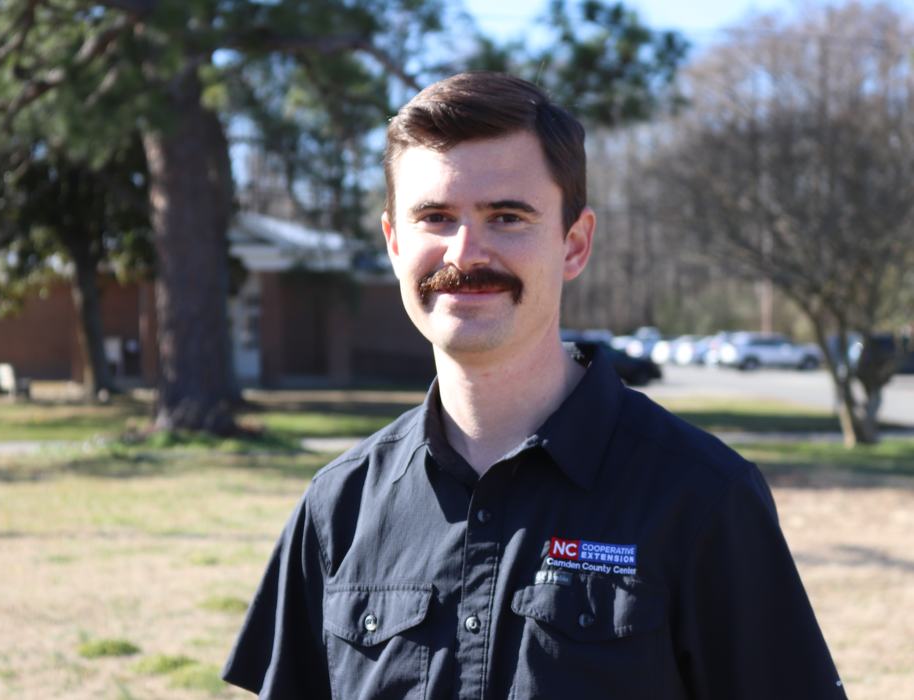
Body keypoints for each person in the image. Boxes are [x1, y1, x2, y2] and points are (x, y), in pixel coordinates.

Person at [222, 72, 845, 699]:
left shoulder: (701, 496)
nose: (465, 253)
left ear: (574, 245)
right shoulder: (338, 508)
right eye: (435, 217)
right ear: (393, 242)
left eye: (507, 217)